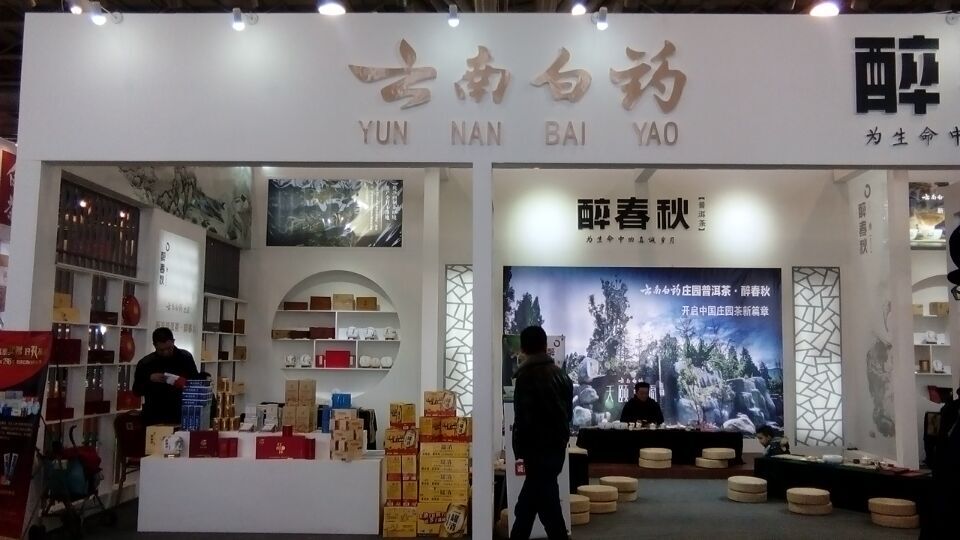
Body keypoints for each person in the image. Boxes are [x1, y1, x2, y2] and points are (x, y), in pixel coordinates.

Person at [511, 326, 573, 540]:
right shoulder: (562, 375)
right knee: (536, 505)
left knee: (540, 506)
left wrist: (519, 449)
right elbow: (568, 415)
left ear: (523, 348)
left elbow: (523, 419)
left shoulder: (525, 377)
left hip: (536, 451)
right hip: (556, 449)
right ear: (545, 346)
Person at [133, 328, 200, 426]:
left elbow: (196, 383)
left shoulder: (185, 358)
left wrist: (183, 382)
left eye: (169, 348)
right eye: (161, 350)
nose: (165, 353)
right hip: (155, 416)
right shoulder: (146, 363)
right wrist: (150, 379)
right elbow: (136, 391)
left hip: (181, 414)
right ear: (154, 345)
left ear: (173, 342)